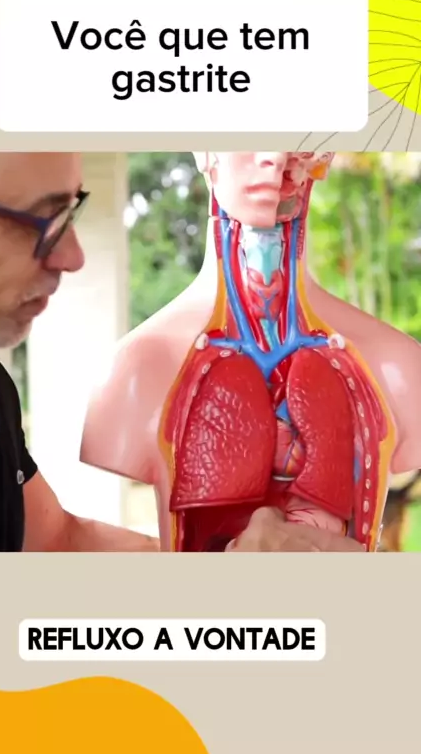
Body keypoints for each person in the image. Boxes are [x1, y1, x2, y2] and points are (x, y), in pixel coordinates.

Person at [0, 151, 352, 554]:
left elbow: (56, 541)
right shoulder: (145, 363)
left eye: (69, 212)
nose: (73, 257)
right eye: (38, 220)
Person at [81, 151, 421, 552]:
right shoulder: (135, 371)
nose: (274, 156)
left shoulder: (398, 367)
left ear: (324, 156)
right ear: (204, 151)